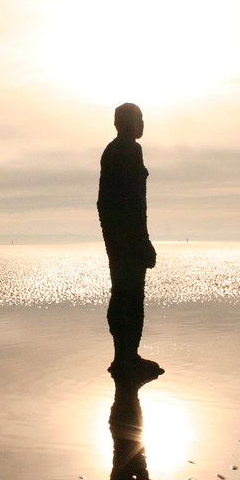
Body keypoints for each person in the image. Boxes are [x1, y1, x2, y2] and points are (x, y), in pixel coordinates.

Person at [97, 103, 162, 377]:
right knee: (131, 297)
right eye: (139, 118)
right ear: (122, 123)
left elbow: (109, 202)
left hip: (119, 235)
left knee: (123, 294)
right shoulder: (127, 150)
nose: (143, 123)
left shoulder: (116, 150)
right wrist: (141, 240)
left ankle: (124, 356)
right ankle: (126, 358)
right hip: (126, 236)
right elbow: (131, 202)